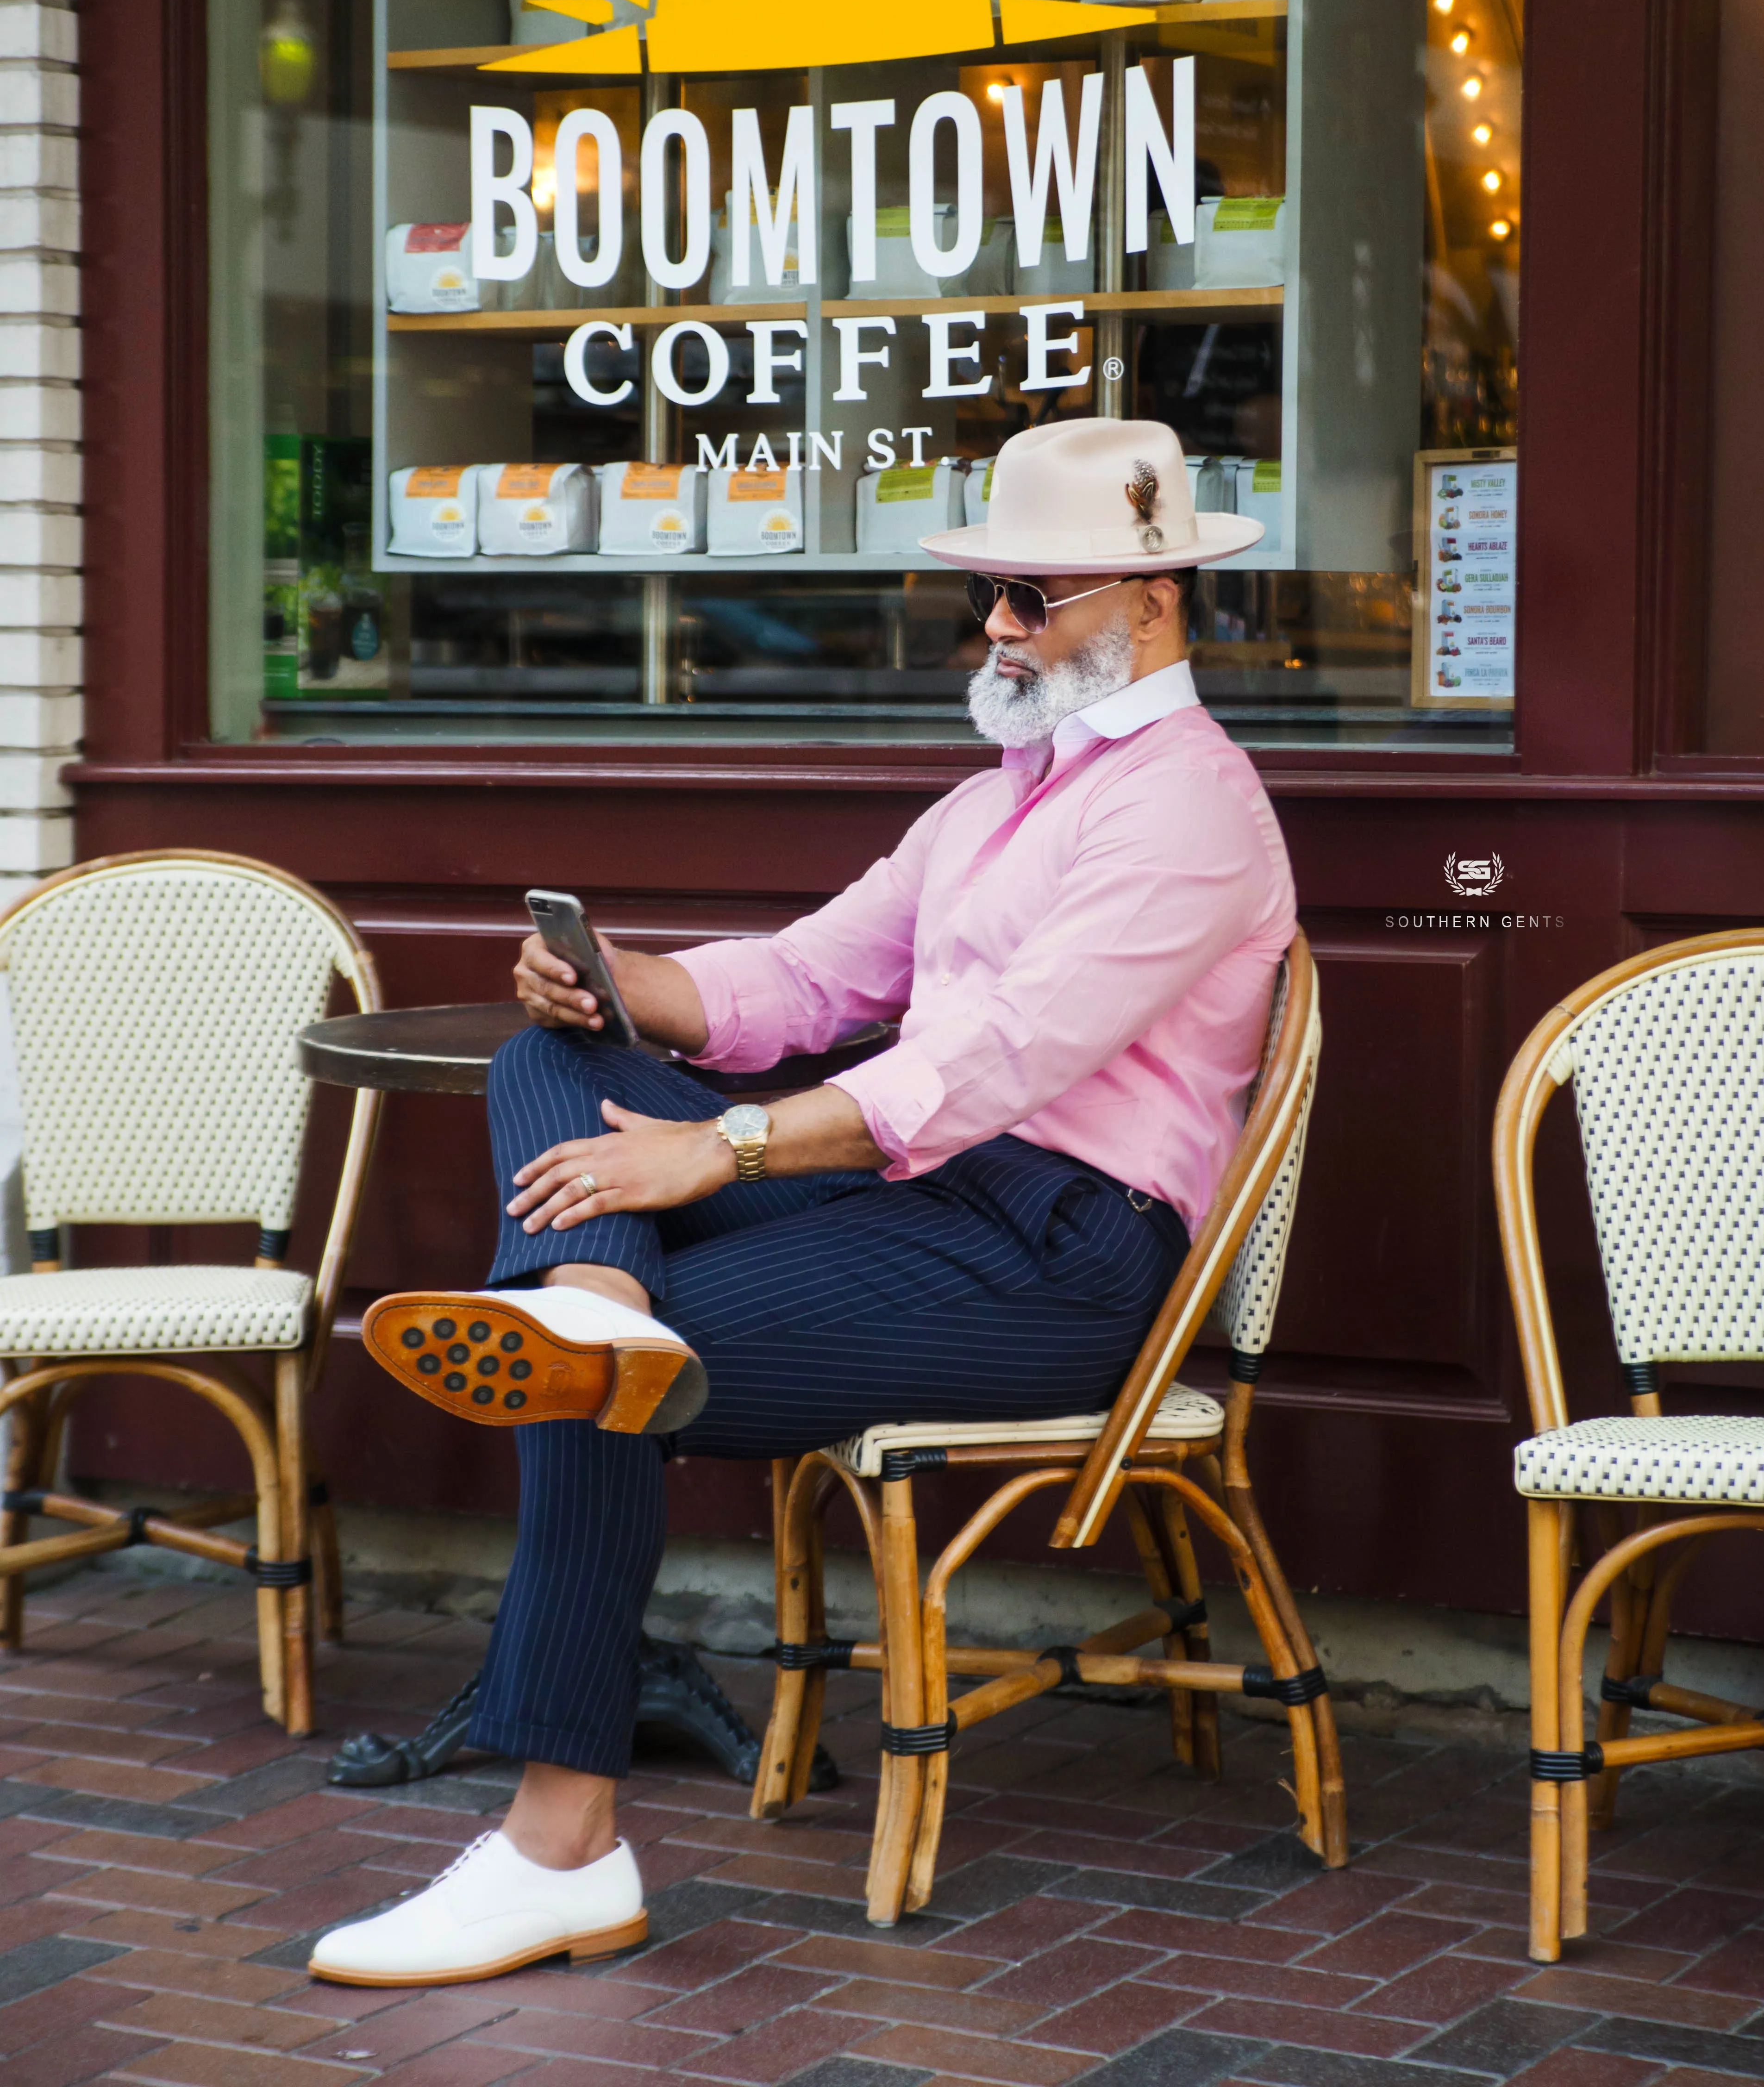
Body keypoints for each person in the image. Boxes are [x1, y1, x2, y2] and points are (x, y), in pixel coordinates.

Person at [309, 416, 1297, 1989]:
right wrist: (619, 982)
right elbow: (813, 974)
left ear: (1154, 598)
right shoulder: (994, 802)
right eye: (985, 594)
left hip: (1063, 1254)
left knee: (592, 1378)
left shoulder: (1189, 807)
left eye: (1032, 597)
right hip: (921, 1195)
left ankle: (560, 1851)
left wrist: (725, 1148)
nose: (997, 626)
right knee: (550, 1066)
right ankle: (597, 1308)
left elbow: (998, 1054)